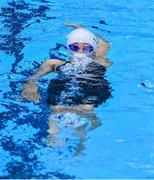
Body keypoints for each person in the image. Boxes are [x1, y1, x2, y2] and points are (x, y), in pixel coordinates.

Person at [22, 23, 112, 150]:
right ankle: (53, 137)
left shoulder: (99, 62)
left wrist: (83, 29)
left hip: (93, 88)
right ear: (68, 48)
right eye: (75, 47)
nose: (80, 51)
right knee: (56, 108)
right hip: (65, 89)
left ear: (93, 48)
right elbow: (32, 78)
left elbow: (104, 45)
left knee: (85, 109)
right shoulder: (54, 63)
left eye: (87, 48)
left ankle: (81, 143)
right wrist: (30, 87)